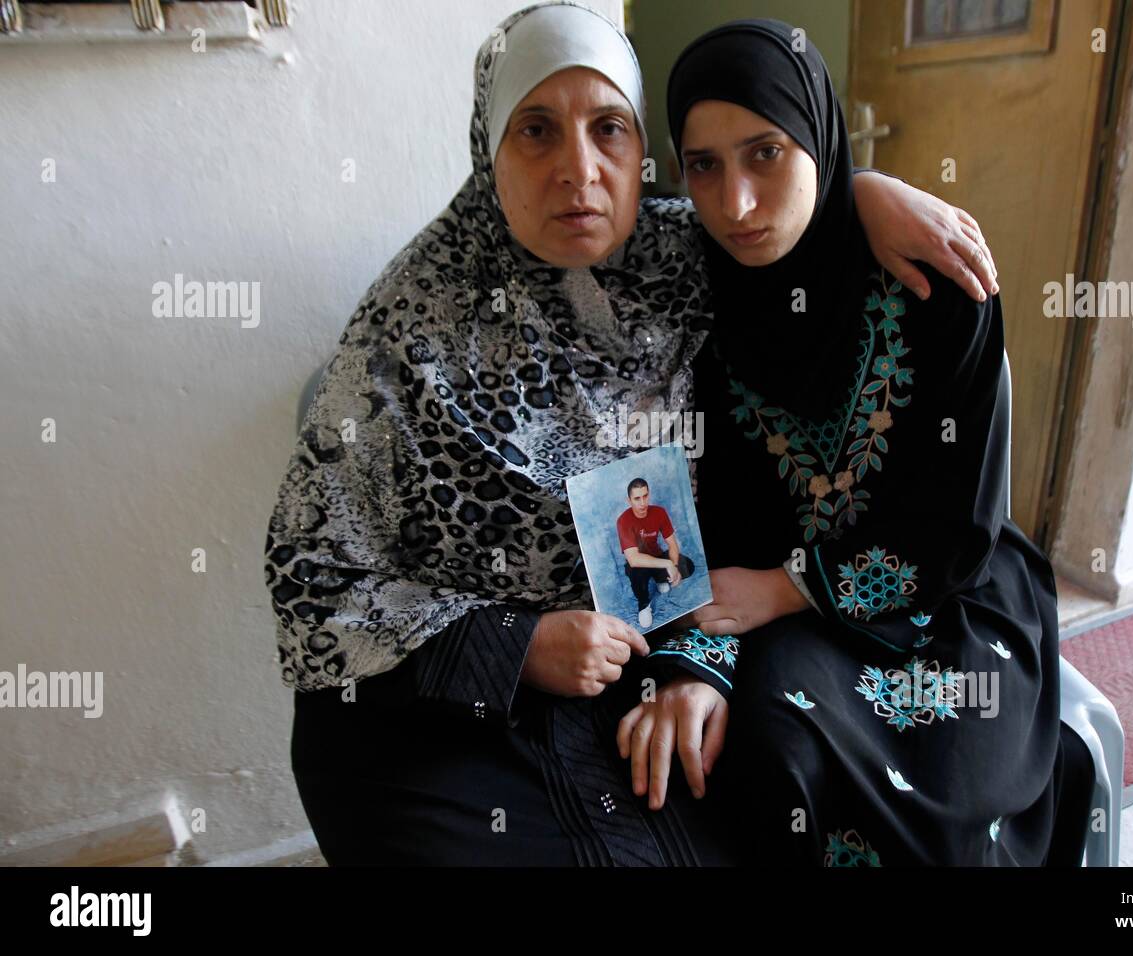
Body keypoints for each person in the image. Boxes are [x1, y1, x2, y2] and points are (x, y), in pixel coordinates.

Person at [265, 1, 999, 866]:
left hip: (631, 669)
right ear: (487, 147)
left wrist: (867, 191)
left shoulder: (683, 254)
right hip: (433, 710)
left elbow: (797, 215)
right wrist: (518, 646)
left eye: (608, 128)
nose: (579, 171)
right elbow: (310, 584)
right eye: (536, 131)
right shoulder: (403, 336)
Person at [616, 18, 1093, 866]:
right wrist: (696, 658)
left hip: (949, 600)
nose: (737, 205)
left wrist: (784, 589)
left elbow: (959, 528)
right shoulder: (683, 297)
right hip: (765, 607)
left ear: (818, 137)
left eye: (767, 152)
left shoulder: (938, 282)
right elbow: (665, 503)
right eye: (704, 166)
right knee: (757, 751)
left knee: (930, 790)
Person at [618, 477, 695, 629]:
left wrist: (673, 566)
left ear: (649, 494)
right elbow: (633, 559)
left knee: (688, 566)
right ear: (629, 500)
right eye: (637, 498)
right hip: (639, 564)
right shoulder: (623, 520)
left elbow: (672, 544)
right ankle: (644, 605)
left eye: (645, 496)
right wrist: (667, 564)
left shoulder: (659, 512)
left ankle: (661, 578)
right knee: (636, 573)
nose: (642, 503)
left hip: (657, 557)